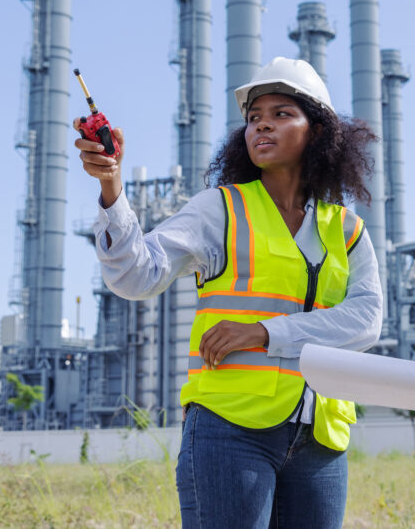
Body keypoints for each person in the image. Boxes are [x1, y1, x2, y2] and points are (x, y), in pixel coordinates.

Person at [75, 57, 383, 529]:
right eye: (254, 118)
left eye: (282, 114)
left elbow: (366, 320)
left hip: (321, 439)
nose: (262, 125)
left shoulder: (345, 228)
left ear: (318, 131)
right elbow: (137, 275)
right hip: (230, 430)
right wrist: (112, 188)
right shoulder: (220, 211)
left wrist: (263, 333)